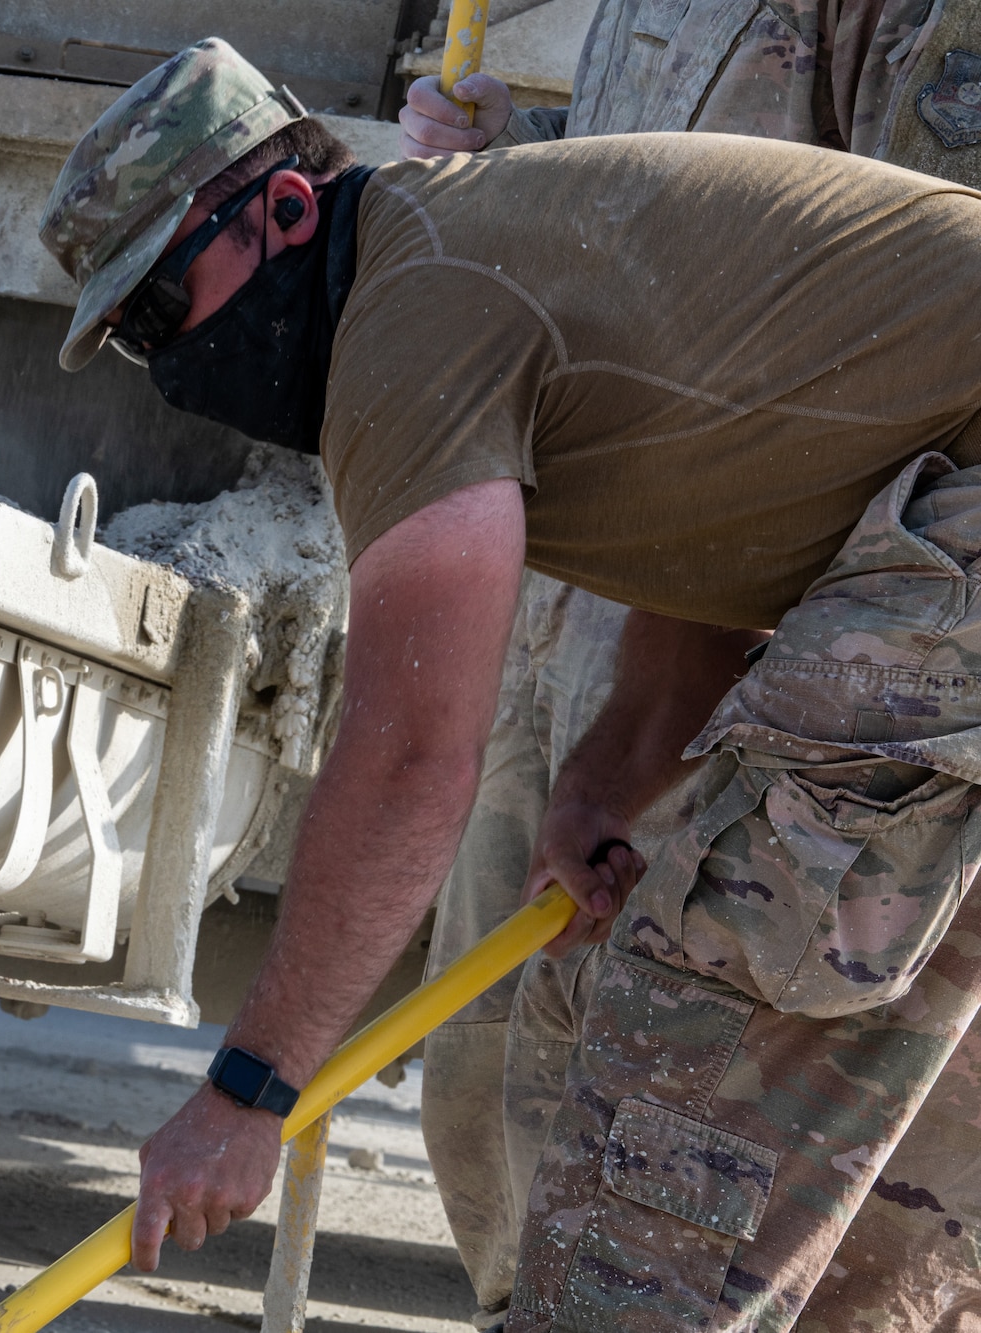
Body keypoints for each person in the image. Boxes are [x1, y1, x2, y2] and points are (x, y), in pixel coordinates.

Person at [40, 36, 981, 1329]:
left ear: (288, 210)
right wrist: (608, 777)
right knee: (884, 1165)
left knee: (696, 1043)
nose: (169, 357)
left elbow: (415, 753)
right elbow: (722, 517)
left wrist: (249, 1092)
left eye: (160, 309)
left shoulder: (405, 312)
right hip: (939, 512)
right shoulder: (476, 258)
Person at [397, 2, 981, 1325]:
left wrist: (664, 729)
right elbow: (716, 194)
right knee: (511, 1134)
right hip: (596, 650)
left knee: (748, 1240)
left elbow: (927, 325)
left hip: (798, 728)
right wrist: (524, 170)